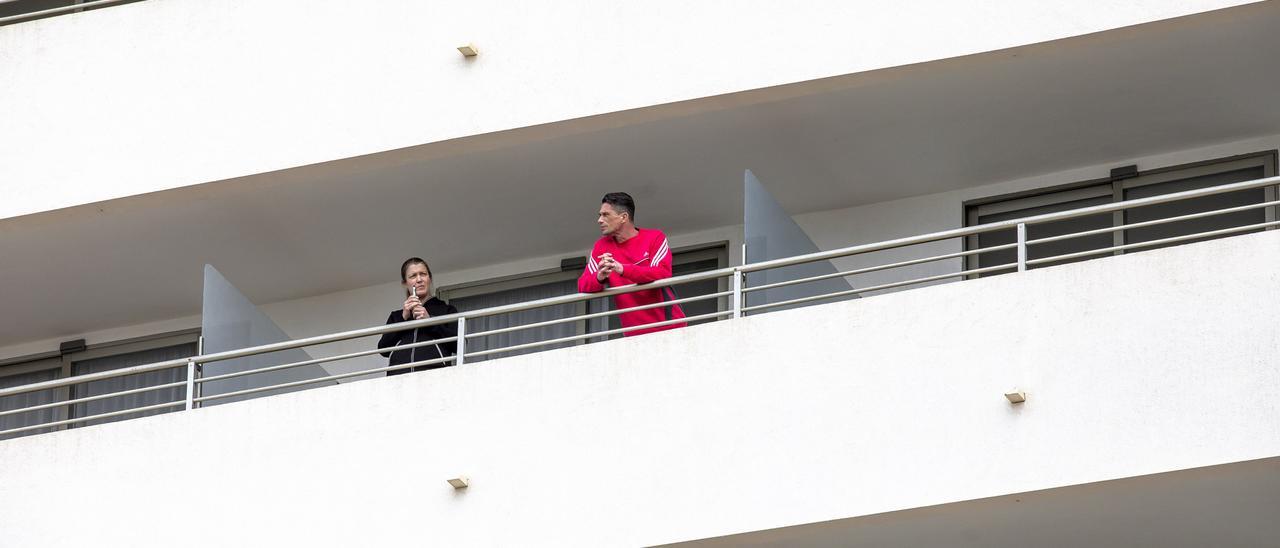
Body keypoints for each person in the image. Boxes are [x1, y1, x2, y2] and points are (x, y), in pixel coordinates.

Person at [577, 192, 687, 336]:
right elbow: (582, 285)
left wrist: (623, 269)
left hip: (670, 328)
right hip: (634, 335)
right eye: (600, 215)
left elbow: (662, 272)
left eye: (605, 215)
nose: (599, 220)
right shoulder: (601, 247)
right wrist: (600, 277)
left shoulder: (654, 237)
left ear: (623, 217)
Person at [378, 257, 459, 375]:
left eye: (423, 274)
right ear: (405, 283)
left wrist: (430, 321)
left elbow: (458, 345)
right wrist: (403, 318)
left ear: (429, 278)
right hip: (399, 379)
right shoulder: (397, 316)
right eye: (413, 276)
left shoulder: (446, 310)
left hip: (435, 375)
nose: (419, 279)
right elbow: (383, 349)